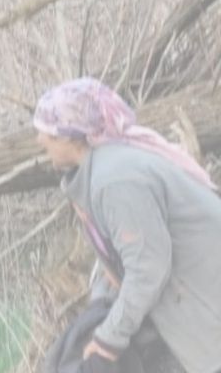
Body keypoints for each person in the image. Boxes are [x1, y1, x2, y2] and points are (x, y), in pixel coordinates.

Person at [34, 78, 221, 373]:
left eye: (47, 133)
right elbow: (124, 258)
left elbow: (148, 267)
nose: (40, 140)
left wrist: (109, 338)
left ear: (73, 137)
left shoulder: (116, 180)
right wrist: (101, 310)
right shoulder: (105, 168)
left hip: (207, 304)